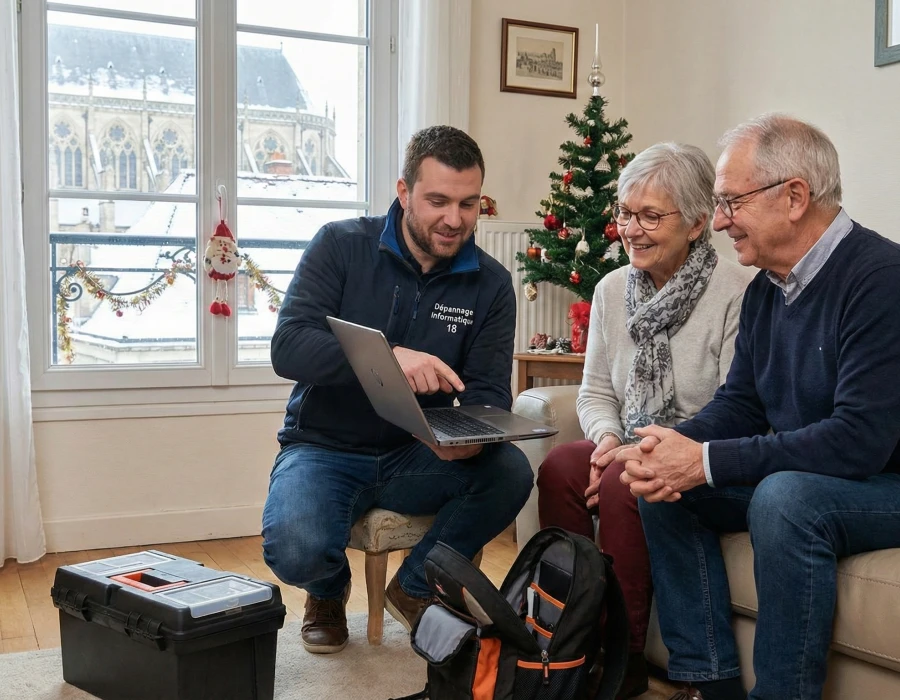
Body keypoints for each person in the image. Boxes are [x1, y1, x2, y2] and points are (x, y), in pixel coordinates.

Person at [619, 114, 900, 700]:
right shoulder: (769, 289)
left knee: (786, 498)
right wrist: (670, 448)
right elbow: (740, 404)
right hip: (822, 474)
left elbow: (858, 441)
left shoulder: (881, 278)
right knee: (666, 485)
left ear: (794, 197)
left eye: (731, 203)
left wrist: (708, 460)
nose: (719, 222)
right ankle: (709, 684)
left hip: (883, 480)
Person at [262, 125, 533, 654]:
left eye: (468, 203)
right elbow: (288, 347)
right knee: (294, 546)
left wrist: (471, 437)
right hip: (324, 448)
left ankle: (413, 588)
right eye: (437, 201)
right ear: (404, 192)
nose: (454, 219)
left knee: (512, 472)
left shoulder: (492, 285)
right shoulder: (341, 246)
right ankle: (326, 590)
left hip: (420, 455)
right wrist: (388, 361)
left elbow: (488, 394)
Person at [536, 142, 754, 698]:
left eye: (651, 216)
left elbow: (738, 405)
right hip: (629, 438)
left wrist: (644, 450)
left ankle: (622, 652)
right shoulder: (612, 290)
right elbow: (595, 392)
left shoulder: (737, 292)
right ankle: (565, 636)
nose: (631, 229)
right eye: (626, 214)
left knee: (622, 477)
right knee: (562, 465)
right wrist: (607, 438)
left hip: (694, 447)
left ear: (698, 221)